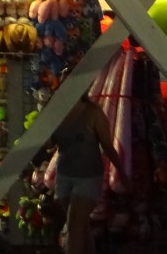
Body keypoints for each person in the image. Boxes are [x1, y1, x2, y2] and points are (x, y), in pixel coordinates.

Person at [50, 82, 131, 254]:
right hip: (64, 175)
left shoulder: (93, 113)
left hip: (88, 176)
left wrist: (122, 173)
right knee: (81, 226)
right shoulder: (56, 112)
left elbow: (108, 146)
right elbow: (50, 144)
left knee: (74, 226)